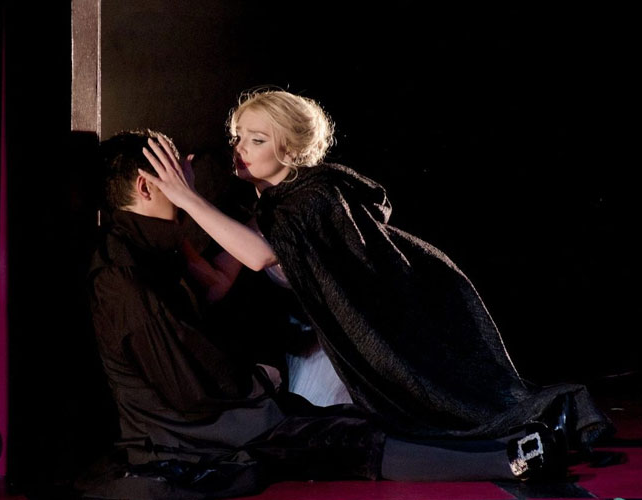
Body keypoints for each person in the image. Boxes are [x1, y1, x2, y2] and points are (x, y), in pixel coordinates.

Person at [79, 129, 571, 500]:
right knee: (350, 439)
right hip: (203, 432)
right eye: (172, 164)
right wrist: (257, 381)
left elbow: (212, 297)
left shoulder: (162, 245)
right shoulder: (125, 272)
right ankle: (511, 458)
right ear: (146, 185)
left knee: (359, 423)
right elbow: (188, 385)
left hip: (230, 412)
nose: (189, 165)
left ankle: (507, 442)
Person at [139, 89, 614, 453]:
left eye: (256, 140)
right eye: (238, 137)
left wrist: (187, 197)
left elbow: (261, 256)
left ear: (292, 151)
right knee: (322, 433)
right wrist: (173, 221)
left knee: (422, 424)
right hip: (328, 344)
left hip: (384, 334)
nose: (240, 148)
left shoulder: (315, 195)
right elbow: (220, 281)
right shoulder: (266, 211)